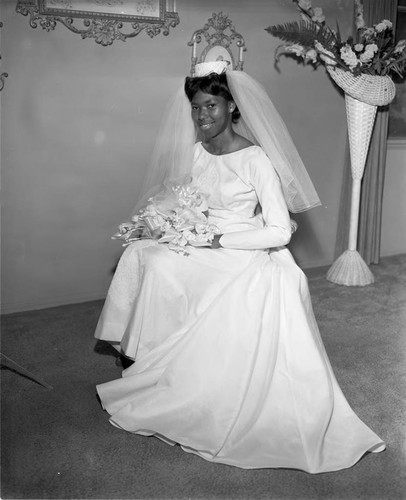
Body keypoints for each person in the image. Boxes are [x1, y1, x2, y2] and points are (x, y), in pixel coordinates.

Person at [95, 61, 385, 473]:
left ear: (232, 106)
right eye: (196, 107)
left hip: (243, 249)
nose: (202, 116)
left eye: (211, 105)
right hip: (201, 240)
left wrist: (219, 239)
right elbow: (182, 199)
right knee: (141, 254)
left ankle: (169, 368)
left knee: (164, 267)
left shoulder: (255, 159)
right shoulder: (197, 152)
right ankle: (143, 354)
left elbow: (280, 231)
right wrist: (158, 224)